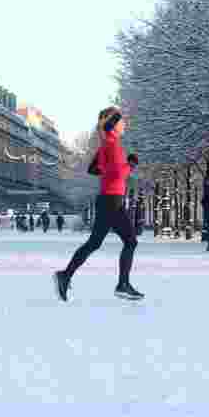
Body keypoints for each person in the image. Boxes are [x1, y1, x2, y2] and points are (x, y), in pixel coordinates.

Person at [53, 107, 143, 302]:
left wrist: (120, 166)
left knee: (94, 243)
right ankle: (122, 285)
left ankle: (65, 275)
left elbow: (94, 169)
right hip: (112, 201)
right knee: (131, 241)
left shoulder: (107, 145)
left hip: (108, 200)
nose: (125, 124)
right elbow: (117, 174)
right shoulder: (112, 146)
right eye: (121, 121)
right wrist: (131, 165)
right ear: (114, 124)